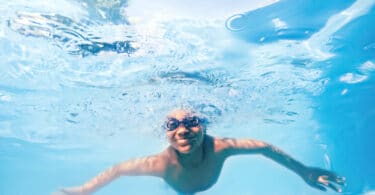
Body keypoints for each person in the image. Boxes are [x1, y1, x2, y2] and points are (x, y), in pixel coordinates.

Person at [54, 109, 345, 195]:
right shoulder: (160, 164)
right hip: (176, 188)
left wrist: (304, 170)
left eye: (191, 122)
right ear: (166, 132)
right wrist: (84, 190)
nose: (182, 130)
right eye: (172, 124)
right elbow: (117, 170)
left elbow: (264, 148)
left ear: (203, 126)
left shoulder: (221, 147)